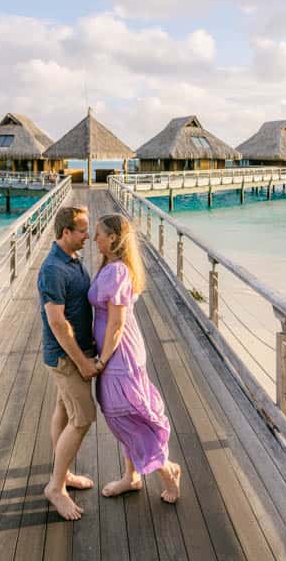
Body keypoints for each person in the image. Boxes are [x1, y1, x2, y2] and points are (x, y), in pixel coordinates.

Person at [89, 213, 181, 503]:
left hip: (119, 354)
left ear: (113, 238)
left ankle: (167, 473)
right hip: (118, 351)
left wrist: (102, 360)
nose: (95, 239)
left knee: (126, 416)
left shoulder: (117, 271)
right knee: (128, 415)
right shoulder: (112, 266)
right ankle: (132, 476)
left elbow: (116, 323)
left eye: (99, 234)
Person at [38, 205, 99, 520]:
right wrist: (83, 363)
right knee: (83, 418)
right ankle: (56, 487)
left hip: (74, 352)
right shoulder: (53, 269)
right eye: (83, 230)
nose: (88, 235)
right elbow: (58, 324)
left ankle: (64, 473)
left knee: (63, 410)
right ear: (66, 233)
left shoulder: (72, 260)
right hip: (66, 357)